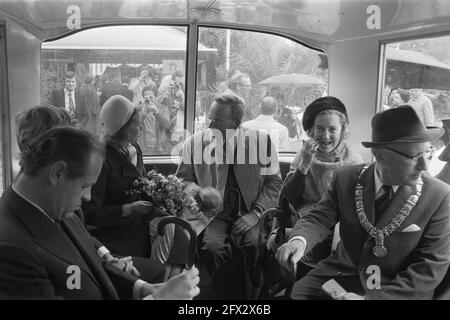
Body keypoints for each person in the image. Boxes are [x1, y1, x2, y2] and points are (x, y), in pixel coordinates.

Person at [0, 126, 200, 299]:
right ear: (57, 173)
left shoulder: (59, 208)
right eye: (84, 186)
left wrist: (141, 289)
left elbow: (88, 266)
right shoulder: (11, 250)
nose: (87, 197)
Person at [275, 106, 450, 300]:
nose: (424, 165)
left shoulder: (439, 196)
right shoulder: (347, 178)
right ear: (380, 155)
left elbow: (429, 267)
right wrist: (298, 241)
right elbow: (319, 218)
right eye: (414, 156)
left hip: (393, 288)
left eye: (428, 153)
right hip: (340, 274)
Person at [177, 92, 283, 298]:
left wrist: (256, 213)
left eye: (216, 120)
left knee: (254, 245)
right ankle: (227, 296)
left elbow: (274, 183)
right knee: (212, 248)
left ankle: (254, 295)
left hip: (253, 212)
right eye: (210, 118)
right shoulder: (194, 143)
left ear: (236, 121)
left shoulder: (262, 142)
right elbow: (182, 180)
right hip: (212, 216)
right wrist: (199, 191)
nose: (209, 125)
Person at [269, 96, 363, 265]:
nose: (325, 136)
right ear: (311, 130)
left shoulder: (353, 160)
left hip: (336, 225)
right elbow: (287, 198)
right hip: (300, 218)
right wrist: (304, 164)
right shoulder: (303, 154)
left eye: (332, 129)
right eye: (320, 129)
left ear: (343, 131)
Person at [82, 95, 154, 257]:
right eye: (137, 124)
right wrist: (128, 209)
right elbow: (89, 213)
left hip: (139, 232)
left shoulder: (134, 148)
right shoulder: (101, 159)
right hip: (114, 242)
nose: (140, 128)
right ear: (123, 127)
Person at [138, 85, 170, 154]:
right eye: (146, 97)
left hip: (160, 148)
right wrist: (142, 116)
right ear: (143, 98)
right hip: (144, 148)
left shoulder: (162, 108)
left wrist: (157, 113)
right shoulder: (139, 109)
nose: (148, 100)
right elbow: (135, 128)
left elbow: (166, 126)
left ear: (156, 97)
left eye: (151, 97)